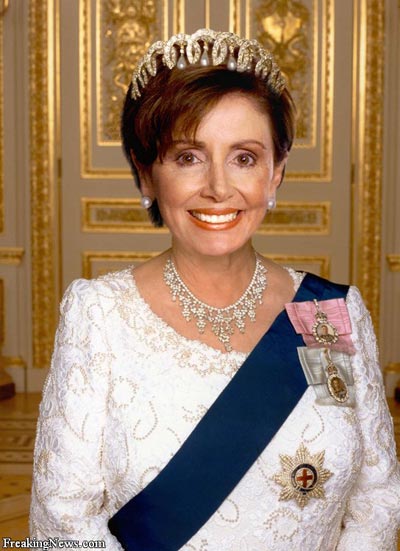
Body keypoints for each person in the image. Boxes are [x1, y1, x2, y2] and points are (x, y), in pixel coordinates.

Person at [30, 29, 400, 550]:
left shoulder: (323, 314)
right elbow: (63, 523)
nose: (219, 188)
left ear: (276, 173)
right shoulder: (99, 315)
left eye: (244, 157)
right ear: (145, 174)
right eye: (188, 156)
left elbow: (376, 496)